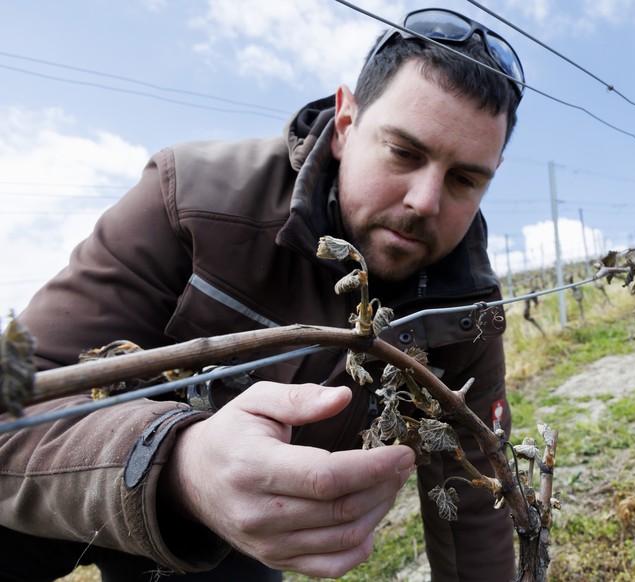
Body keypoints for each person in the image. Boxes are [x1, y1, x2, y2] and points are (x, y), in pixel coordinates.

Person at [0, 7, 524, 581]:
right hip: (60, 487)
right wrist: (179, 467)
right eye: (403, 152)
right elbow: (13, 409)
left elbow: (475, 502)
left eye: (464, 179)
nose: (425, 200)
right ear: (347, 122)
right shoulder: (192, 199)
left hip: (219, 544)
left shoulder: (465, 311)